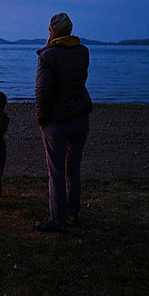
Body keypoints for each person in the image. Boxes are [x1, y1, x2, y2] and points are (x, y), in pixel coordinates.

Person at [35, 13, 93, 232]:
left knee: (57, 172)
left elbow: (43, 91)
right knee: (72, 170)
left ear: (51, 31)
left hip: (58, 122)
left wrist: (41, 117)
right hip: (80, 117)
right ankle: (72, 214)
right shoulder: (82, 51)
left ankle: (58, 219)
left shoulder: (48, 55)